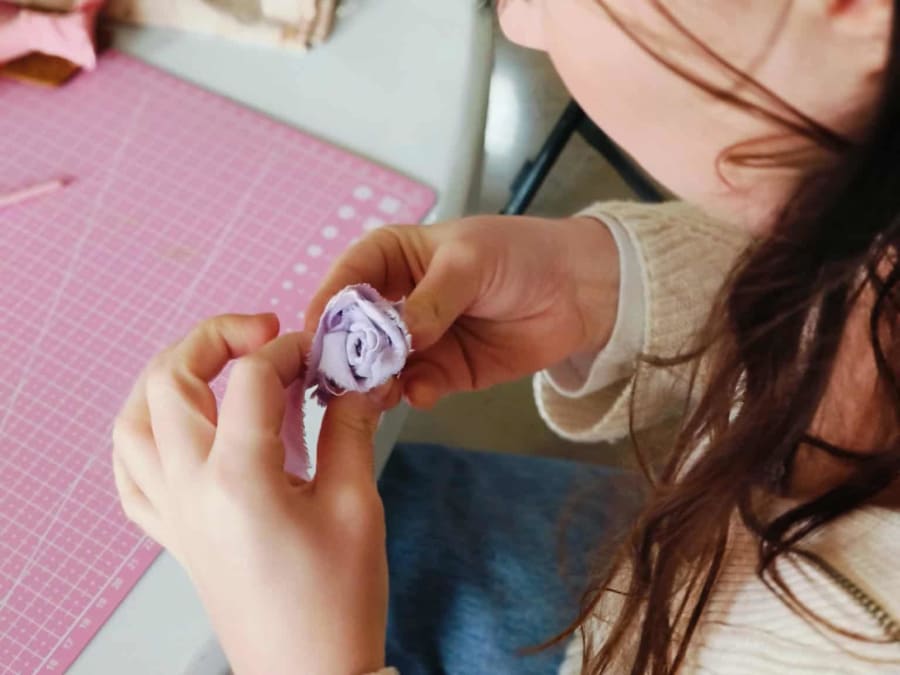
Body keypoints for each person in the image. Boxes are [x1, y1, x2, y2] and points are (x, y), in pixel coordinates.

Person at [111, 1, 900, 673]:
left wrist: (304, 661)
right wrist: (612, 288)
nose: (516, 22)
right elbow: (853, 283)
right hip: (675, 579)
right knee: (394, 502)